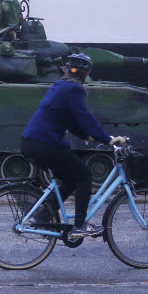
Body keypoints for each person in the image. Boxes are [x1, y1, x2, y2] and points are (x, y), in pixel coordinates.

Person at [21, 52, 127, 238]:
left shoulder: (61, 86)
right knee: (84, 176)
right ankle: (80, 225)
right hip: (45, 143)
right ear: (84, 72)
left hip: (33, 142)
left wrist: (91, 136)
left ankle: (44, 215)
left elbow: (71, 122)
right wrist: (107, 139)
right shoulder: (73, 89)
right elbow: (84, 116)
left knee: (71, 179)